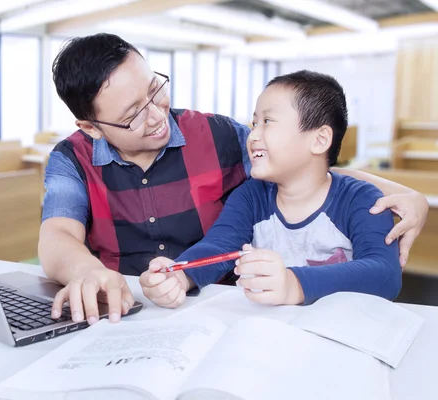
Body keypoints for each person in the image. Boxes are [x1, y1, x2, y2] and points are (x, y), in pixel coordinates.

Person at [39, 33, 428, 323]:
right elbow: (58, 236)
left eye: (155, 90)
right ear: (91, 126)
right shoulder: (71, 158)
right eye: (132, 114)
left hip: (243, 315)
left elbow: (301, 166)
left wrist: (410, 196)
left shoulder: (220, 136)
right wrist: (98, 273)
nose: (157, 116)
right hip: (132, 313)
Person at [141, 70, 402, 307]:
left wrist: (294, 284)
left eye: (268, 121)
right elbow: (219, 246)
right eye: (255, 123)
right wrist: (183, 274)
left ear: (320, 139)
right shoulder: (251, 196)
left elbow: (384, 273)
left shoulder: (361, 199)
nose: (253, 135)